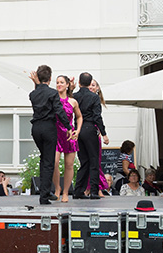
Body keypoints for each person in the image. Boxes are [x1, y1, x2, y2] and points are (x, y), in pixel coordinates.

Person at [29, 65, 72, 205]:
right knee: (48, 162)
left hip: (36, 128)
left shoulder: (33, 94)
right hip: (48, 128)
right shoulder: (53, 93)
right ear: (50, 78)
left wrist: (36, 84)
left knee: (44, 159)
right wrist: (68, 127)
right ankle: (44, 195)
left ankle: (45, 191)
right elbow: (59, 111)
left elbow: (40, 94)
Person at [72, 72, 107, 200]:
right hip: (90, 128)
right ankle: (94, 191)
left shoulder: (74, 96)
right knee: (94, 161)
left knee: (84, 162)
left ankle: (78, 190)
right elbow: (97, 116)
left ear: (79, 82)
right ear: (89, 82)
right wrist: (104, 133)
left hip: (78, 130)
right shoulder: (94, 97)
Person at [53, 75, 83, 203]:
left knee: (69, 165)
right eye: (57, 82)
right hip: (55, 134)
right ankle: (57, 188)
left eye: (61, 82)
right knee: (54, 162)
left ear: (67, 85)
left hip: (69, 134)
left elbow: (79, 117)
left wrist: (78, 130)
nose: (59, 84)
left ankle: (65, 192)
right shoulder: (53, 99)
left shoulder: (73, 101)